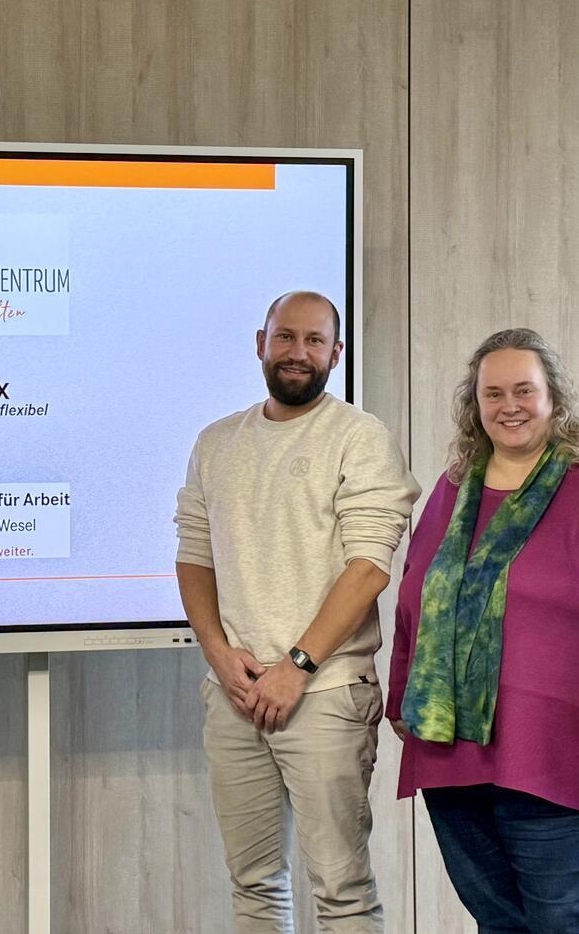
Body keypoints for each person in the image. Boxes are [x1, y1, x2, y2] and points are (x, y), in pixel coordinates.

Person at [387, 327, 579, 932]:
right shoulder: (453, 489)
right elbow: (415, 599)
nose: (510, 406)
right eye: (493, 394)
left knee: (567, 922)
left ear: (555, 398)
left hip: (570, 756)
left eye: (525, 390)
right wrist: (400, 700)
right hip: (456, 758)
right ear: (476, 406)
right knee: (500, 925)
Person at [174, 290, 419, 932]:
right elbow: (193, 557)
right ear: (261, 343)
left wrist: (298, 666)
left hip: (328, 694)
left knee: (341, 892)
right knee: (253, 886)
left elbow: (368, 566)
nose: (298, 352)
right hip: (233, 694)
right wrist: (220, 657)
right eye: (286, 337)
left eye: (314, 341)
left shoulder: (360, 439)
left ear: (336, 354)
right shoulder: (216, 442)